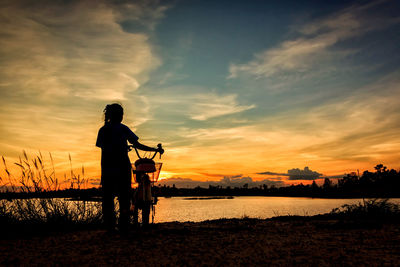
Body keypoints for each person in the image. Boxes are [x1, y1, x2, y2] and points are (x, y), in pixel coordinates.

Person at [96, 103, 163, 232]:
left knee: (108, 196)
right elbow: (137, 144)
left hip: (107, 167)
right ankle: (124, 225)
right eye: (121, 114)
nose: (122, 116)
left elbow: (104, 147)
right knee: (124, 196)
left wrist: (120, 147)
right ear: (119, 115)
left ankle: (109, 226)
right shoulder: (123, 128)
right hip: (121, 166)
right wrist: (154, 149)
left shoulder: (103, 130)